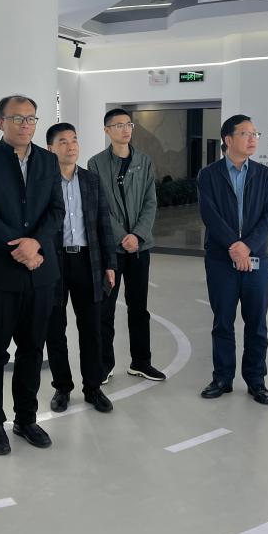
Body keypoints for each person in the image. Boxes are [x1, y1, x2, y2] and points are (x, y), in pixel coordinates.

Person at [0, 95, 64, 455]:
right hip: (2, 273)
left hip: (41, 272)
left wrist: (35, 244)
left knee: (32, 348)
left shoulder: (49, 161)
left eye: (31, 119)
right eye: (17, 118)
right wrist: (21, 248)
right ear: (0, 123)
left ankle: (26, 418)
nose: (25, 125)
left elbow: (56, 210)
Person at [196, 115, 268, 405]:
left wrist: (247, 246)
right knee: (223, 321)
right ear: (228, 140)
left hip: (257, 259)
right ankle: (222, 378)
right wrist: (234, 246)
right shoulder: (209, 175)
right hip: (221, 260)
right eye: (245, 133)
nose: (252, 138)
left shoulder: (265, 175)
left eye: (255, 133)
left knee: (257, 323)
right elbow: (209, 214)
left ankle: (256, 380)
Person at [43, 123, 117, 414]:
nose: (71, 146)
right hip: (54, 262)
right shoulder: (42, 182)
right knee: (55, 329)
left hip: (88, 261)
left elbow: (104, 224)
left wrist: (110, 264)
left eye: (74, 140)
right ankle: (62, 387)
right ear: (50, 148)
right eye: (63, 141)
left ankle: (93, 387)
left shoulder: (91, 180)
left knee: (91, 328)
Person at [88, 108, 166, 383]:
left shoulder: (144, 161)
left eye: (128, 124)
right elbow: (99, 205)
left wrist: (138, 236)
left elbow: (150, 202)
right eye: (118, 125)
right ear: (107, 130)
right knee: (105, 309)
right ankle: (104, 364)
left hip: (139, 248)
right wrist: (123, 236)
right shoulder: (96, 164)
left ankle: (141, 362)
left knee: (139, 307)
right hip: (112, 248)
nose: (125, 129)